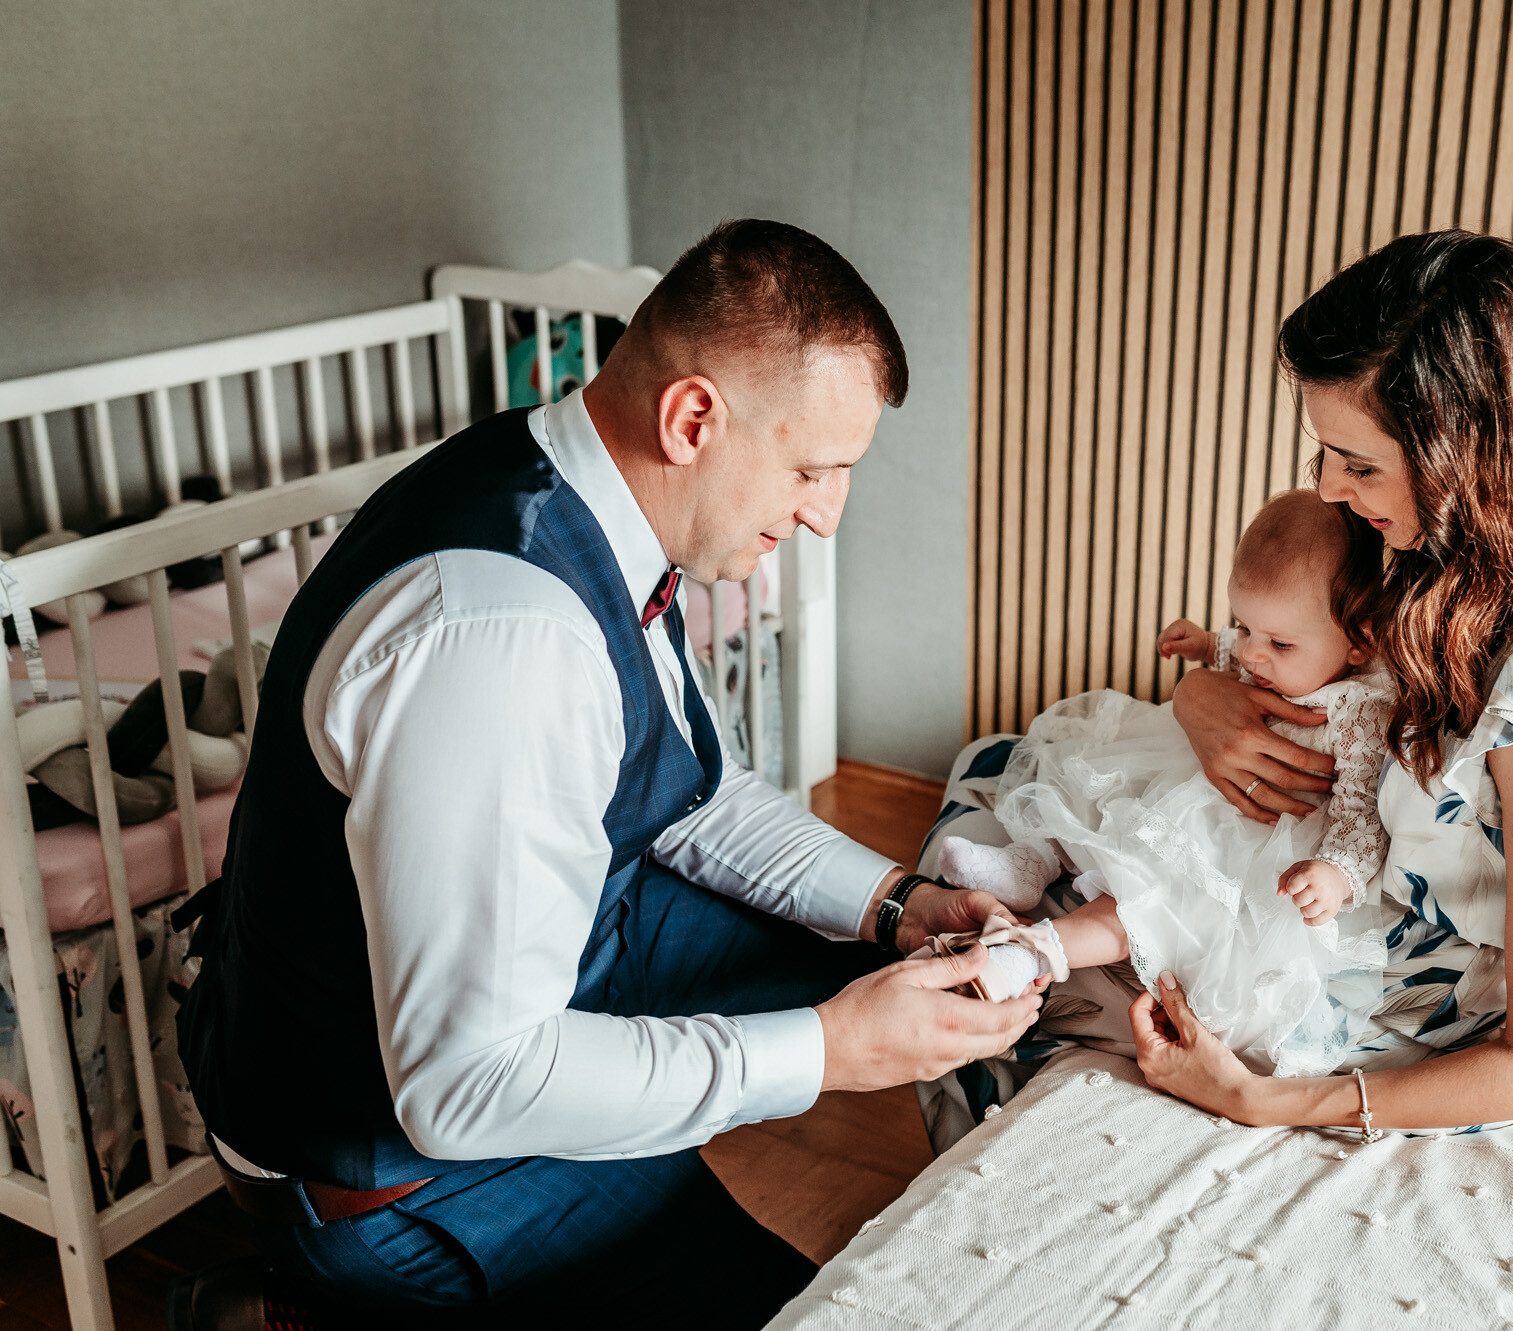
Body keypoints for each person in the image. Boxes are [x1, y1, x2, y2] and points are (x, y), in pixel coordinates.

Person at [174, 220, 1040, 1326]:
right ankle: (297, 1303)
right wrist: (831, 1050)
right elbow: (466, 1085)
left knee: (883, 963)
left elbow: (693, 793)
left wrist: (894, 903)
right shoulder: (504, 645)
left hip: (565, 956)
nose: (825, 514)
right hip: (400, 1165)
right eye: (812, 469)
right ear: (693, 420)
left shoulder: (579, 491)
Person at [1128, 230, 1513, 1135]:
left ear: (1468, 458)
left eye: (1360, 465)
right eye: (1326, 455)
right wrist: (1200, 696)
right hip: (1351, 872)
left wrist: (1262, 1100)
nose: (1331, 490)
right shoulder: (1443, 546)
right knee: (1013, 789)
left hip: (1428, 992)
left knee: (1059, 965)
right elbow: (1317, 652)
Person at [928, 490, 1398, 1077]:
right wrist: (1207, 643)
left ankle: (1033, 952)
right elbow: (1245, 650)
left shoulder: (1360, 711)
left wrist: (1336, 874)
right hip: (1197, 775)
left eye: (1278, 643)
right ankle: (1033, 861)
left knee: (1146, 893)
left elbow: (1361, 815)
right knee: (1102, 787)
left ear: (1359, 641)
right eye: (1242, 626)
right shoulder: (1276, 651)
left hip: (1257, 835)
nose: (1253, 654)